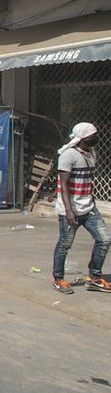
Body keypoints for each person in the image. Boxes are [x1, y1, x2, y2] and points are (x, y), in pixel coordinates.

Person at [52, 123, 111, 294]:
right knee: (65, 244)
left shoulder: (92, 154)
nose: (96, 137)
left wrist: (91, 201)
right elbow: (64, 184)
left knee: (104, 240)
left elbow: (87, 180)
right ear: (84, 137)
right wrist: (69, 211)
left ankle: (94, 277)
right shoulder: (68, 155)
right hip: (70, 210)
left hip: (89, 208)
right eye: (93, 135)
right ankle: (58, 279)